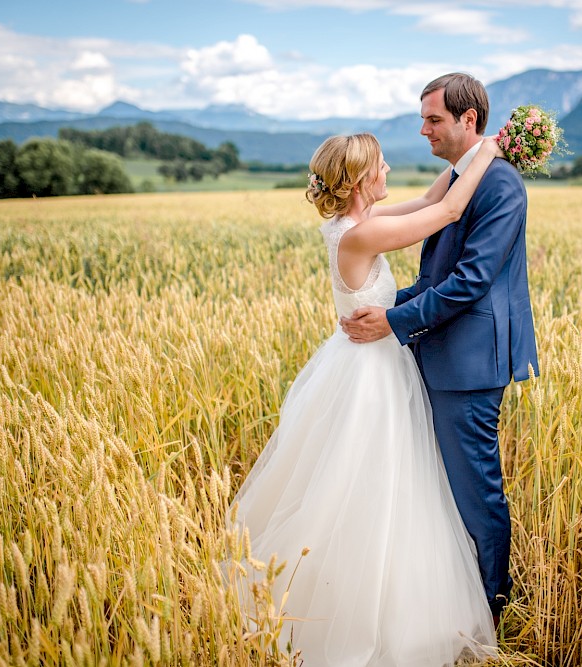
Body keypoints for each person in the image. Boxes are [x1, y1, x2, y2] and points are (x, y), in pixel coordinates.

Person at [229, 131, 506, 665]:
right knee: (377, 480)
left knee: (378, 478)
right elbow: (448, 212)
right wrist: (488, 154)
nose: (386, 172)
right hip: (370, 374)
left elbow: (431, 199)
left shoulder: (352, 226)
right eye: (379, 166)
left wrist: (466, 156)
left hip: (370, 360)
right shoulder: (361, 236)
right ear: (359, 180)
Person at [340, 73, 539, 627]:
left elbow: (471, 280)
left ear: (467, 120)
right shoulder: (459, 179)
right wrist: (388, 307)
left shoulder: (498, 185)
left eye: (433, 119)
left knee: (476, 492)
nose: (423, 129)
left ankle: (492, 610)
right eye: (423, 118)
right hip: (440, 354)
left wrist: (394, 319)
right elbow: (438, 274)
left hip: (470, 364)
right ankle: (455, 603)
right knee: (443, 489)